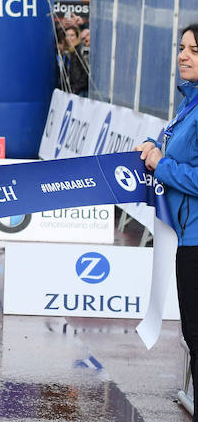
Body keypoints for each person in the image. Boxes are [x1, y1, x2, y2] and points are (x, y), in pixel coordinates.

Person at [137, 22, 198, 422]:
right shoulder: (187, 104)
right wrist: (156, 148)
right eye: (181, 47)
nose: (183, 55)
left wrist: (163, 164)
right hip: (186, 235)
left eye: (194, 50)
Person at [65, 25, 89, 97]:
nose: (69, 38)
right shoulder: (69, 53)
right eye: (67, 35)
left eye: (72, 35)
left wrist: (76, 88)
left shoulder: (80, 50)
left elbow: (86, 72)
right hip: (73, 91)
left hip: (81, 92)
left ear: (77, 36)